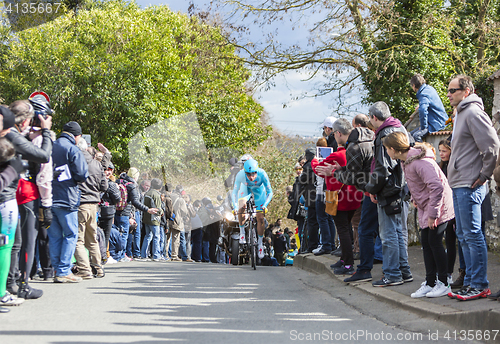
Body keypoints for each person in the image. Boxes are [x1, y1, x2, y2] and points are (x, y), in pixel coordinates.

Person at [446, 75, 500, 301]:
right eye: (448, 90)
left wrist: (484, 175)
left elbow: (492, 145)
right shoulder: (460, 113)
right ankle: (470, 282)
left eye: (453, 90)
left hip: (470, 183)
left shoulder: (473, 112)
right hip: (459, 183)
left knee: (472, 234)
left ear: (466, 91)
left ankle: (479, 284)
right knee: (463, 234)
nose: (448, 94)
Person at [383, 132, 454, 298]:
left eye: (387, 149)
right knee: (427, 242)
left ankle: (444, 283)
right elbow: (417, 184)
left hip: (439, 205)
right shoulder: (406, 162)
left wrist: (433, 214)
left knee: (434, 242)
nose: (387, 153)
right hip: (426, 205)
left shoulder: (419, 162)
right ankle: (430, 282)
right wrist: (415, 198)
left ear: (393, 149)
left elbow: (437, 187)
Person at [319, 115, 378, 282]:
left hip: (349, 195)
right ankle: (349, 261)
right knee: (356, 229)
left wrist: (335, 172)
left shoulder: (351, 148)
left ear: (337, 133)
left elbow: (352, 176)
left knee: (352, 230)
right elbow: (356, 170)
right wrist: (342, 169)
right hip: (360, 194)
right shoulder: (367, 141)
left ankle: (355, 266)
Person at [365, 101, 413, 287]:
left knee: (389, 234)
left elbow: (382, 168)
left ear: (374, 117)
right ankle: (403, 270)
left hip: (390, 189)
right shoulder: (399, 127)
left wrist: (372, 189)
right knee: (399, 231)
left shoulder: (384, 134)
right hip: (402, 187)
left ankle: (392, 274)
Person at [312, 118, 363, 275]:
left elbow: (318, 169)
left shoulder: (339, 155)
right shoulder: (356, 149)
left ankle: (348, 264)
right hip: (355, 196)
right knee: (346, 228)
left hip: (340, 197)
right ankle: (344, 259)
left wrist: (314, 160)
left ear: (338, 133)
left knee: (342, 230)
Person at [49, 121, 88, 283]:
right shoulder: (72, 149)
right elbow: (82, 174)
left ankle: (57, 268)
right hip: (67, 198)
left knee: (55, 236)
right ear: (77, 136)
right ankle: (64, 270)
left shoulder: (50, 145)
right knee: (71, 234)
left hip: (49, 197)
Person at [73, 140, 108, 279]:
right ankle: (98, 267)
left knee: (78, 239)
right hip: (94, 204)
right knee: (92, 237)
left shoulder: (75, 161)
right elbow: (104, 186)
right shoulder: (96, 164)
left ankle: (84, 268)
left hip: (80, 203)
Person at [231, 158, 273, 259]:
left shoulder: (262, 174)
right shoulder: (240, 175)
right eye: (248, 174)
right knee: (241, 204)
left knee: (260, 218)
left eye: (253, 174)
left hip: (259, 191)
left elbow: (270, 192)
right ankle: (242, 232)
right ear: (244, 172)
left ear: (257, 171)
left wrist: (265, 205)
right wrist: (235, 207)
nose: (251, 177)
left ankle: (259, 244)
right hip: (246, 189)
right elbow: (234, 192)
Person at [114, 168, 158, 262]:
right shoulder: (132, 185)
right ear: (135, 176)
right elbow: (135, 202)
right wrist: (147, 209)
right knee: (124, 234)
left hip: (115, 211)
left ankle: (116, 253)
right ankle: (121, 255)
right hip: (125, 212)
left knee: (116, 233)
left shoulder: (118, 181)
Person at [313, 137, 336, 256]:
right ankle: (331, 244)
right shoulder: (332, 160)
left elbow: (316, 169)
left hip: (321, 192)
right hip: (330, 192)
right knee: (330, 219)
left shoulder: (320, 161)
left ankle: (326, 244)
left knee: (322, 219)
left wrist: (314, 160)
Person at [409, 73, 448, 142]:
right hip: (441, 120)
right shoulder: (429, 89)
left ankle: (424, 152)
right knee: (410, 135)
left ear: (414, 85)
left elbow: (423, 110)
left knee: (416, 136)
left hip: (436, 123)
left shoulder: (423, 94)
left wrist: (423, 128)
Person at [98, 162, 121, 264]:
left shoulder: (96, 181)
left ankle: (100, 257)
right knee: (105, 236)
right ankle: (103, 257)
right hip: (107, 211)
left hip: (99, 211)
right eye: (106, 170)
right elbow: (117, 198)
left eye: (109, 170)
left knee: (99, 235)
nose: (108, 172)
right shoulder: (111, 184)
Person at [298, 148, 319, 253]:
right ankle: (323, 244)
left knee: (312, 222)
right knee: (323, 220)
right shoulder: (318, 164)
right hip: (320, 196)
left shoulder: (307, 167)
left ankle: (312, 246)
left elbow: (302, 180)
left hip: (311, 197)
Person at [141, 178, 164, 261]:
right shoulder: (156, 195)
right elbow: (158, 208)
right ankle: (156, 255)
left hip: (146, 217)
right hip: (154, 219)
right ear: (160, 187)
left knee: (147, 236)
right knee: (156, 237)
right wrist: (161, 212)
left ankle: (143, 254)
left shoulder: (147, 193)